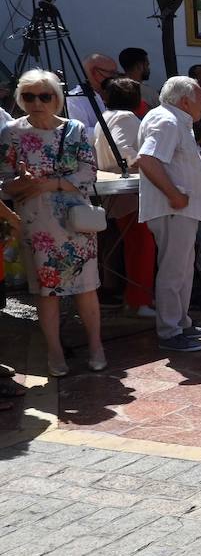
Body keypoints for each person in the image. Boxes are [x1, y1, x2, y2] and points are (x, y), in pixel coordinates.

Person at [0, 70, 107, 375]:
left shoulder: (73, 130)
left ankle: (96, 345)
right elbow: (3, 184)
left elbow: (88, 173)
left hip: (75, 221)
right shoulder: (11, 133)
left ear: (56, 99)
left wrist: (48, 184)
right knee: (46, 291)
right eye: (28, 96)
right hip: (36, 222)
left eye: (44, 96)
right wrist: (21, 183)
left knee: (86, 287)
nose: (36, 102)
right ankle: (55, 352)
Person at [138, 77, 201, 353]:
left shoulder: (174, 119)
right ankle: (170, 331)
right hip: (173, 208)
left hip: (181, 209)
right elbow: (147, 159)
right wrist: (173, 194)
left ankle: (181, 323)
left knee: (182, 268)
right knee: (174, 270)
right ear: (185, 101)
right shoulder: (167, 121)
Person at [95, 77, 156, 318]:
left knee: (134, 246)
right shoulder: (126, 117)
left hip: (115, 190)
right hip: (129, 190)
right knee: (142, 246)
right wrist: (149, 165)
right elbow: (124, 150)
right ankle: (139, 301)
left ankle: (137, 299)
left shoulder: (105, 118)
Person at [63, 53, 118, 136]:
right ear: (94, 73)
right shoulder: (74, 99)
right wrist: (115, 130)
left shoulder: (116, 93)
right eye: (111, 73)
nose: (116, 77)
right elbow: (81, 133)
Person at [118, 47, 158, 113]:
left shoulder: (113, 90)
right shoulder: (149, 93)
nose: (149, 69)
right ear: (139, 66)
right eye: (147, 65)